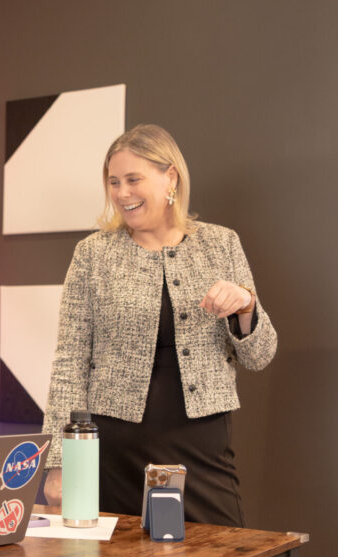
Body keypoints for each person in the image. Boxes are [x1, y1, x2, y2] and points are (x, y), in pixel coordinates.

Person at [41, 124, 277, 526]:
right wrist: (60, 462)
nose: (122, 193)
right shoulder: (93, 254)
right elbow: (69, 362)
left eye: (134, 179)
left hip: (200, 443)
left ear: (171, 177)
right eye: (114, 182)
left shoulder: (220, 244)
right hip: (115, 447)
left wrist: (245, 306)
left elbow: (259, 356)